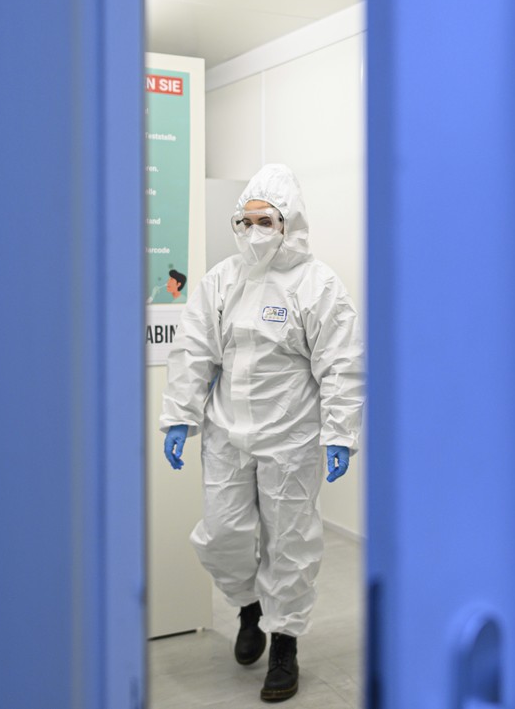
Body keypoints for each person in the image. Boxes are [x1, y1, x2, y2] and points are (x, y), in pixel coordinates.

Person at [158, 164, 364, 704]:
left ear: (288, 222)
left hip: (290, 436)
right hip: (227, 432)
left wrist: (340, 432)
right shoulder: (221, 280)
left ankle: (284, 644)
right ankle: (247, 606)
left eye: (264, 220)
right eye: (244, 221)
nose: (253, 231)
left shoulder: (318, 285)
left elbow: (341, 363)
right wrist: (181, 415)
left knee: (290, 543)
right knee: (222, 534)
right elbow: (194, 350)